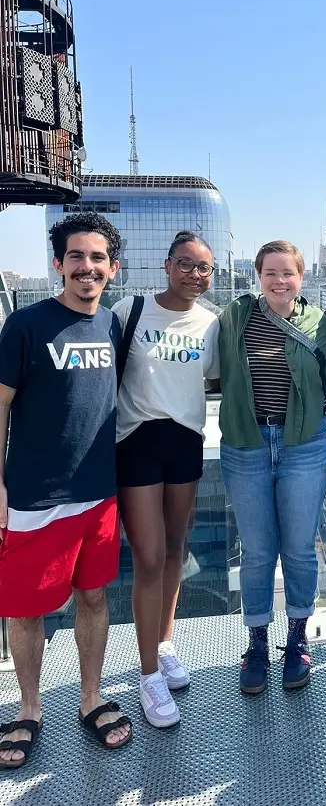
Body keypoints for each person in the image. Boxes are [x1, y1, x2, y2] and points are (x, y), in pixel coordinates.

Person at [0, 212, 132, 768]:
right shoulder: (26, 326)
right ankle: (29, 709)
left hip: (99, 492)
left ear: (113, 268)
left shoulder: (111, 327)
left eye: (97, 258)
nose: (87, 267)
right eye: (76, 256)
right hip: (34, 498)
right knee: (26, 610)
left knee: (94, 597)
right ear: (57, 264)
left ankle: (90, 697)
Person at [218, 241, 326, 695]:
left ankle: (296, 639)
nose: (279, 281)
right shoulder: (235, 315)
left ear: (301, 277)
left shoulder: (317, 322)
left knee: (299, 549)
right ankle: (256, 642)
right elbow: (213, 365)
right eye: (270, 272)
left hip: (304, 446)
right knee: (256, 551)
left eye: (287, 273)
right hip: (247, 444)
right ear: (257, 274)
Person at [113, 231, 220, 728]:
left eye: (203, 268)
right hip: (136, 440)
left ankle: (163, 641)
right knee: (149, 557)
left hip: (185, 440)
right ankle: (148, 675)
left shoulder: (212, 323)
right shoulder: (128, 311)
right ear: (166, 264)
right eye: (185, 265)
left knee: (176, 548)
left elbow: (219, 378)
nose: (194, 275)